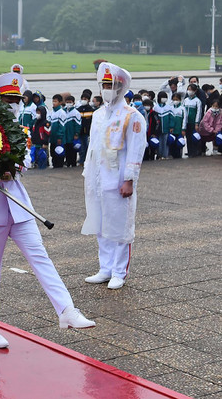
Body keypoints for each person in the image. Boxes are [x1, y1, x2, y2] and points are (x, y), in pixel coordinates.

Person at [0, 73, 95, 349]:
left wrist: (13, 165)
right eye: (8, 100)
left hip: (19, 206)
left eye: (17, 100)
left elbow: (26, 160)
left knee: (41, 257)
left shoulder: (19, 129)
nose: (13, 105)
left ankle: (66, 310)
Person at [82, 63, 147, 290]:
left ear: (121, 87)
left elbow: (136, 150)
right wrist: (88, 174)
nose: (107, 89)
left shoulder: (132, 116)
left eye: (111, 85)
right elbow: (93, 147)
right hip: (98, 179)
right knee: (101, 225)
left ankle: (119, 271)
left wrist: (129, 179)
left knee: (120, 227)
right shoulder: (98, 115)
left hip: (118, 180)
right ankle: (105, 268)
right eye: (104, 85)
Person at [182, 83, 204, 158]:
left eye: (191, 90)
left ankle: (195, 151)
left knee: (194, 137)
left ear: (195, 91)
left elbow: (199, 112)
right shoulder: (185, 100)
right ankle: (190, 151)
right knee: (188, 137)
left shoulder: (197, 101)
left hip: (193, 122)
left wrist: (196, 123)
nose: (189, 91)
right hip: (186, 122)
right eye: (188, 89)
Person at [62, 95, 81, 167]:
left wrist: (76, 133)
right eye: (67, 102)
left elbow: (78, 124)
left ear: (73, 103)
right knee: (66, 148)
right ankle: (67, 162)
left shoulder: (76, 113)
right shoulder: (63, 111)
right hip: (65, 134)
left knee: (72, 149)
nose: (68, 104)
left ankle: (73, 163)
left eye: (70, 102)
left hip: (72, 134)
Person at [30, 105, 50, 170]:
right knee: (36, 161)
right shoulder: (35, 122)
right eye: (37, 112)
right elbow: (33, 132)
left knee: (42, 160)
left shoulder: (46, 123)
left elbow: (47, 134)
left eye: (39, 113)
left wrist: (45, 143)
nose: (37, 114)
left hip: (42, 146)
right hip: (35, 145)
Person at [77, 91, 95, 165]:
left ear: (89, 100)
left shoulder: (91, 110)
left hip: (87, 133)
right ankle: (81, 161)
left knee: (87, 147)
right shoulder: (78, 110)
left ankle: (88, 162)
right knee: (81, 148)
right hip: (80, 132)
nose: (83, 100)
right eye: (82, 99)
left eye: (85, 99)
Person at [48, 94, 65, 168]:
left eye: (55, 101)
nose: (54, 103)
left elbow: (62, 127)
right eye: (53, 101)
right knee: (52, 152)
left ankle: (59, 165)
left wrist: (59, 137)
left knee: (59, 152)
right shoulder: (52, 112)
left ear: (60, 102)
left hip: (58, 138)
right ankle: (54, 165)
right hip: (52, 137)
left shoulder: (61, 113)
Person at [154, 92, 171, 159]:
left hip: (166, 128)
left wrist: (171, 126)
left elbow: (171, 118)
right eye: (162, 97)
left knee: (166, 142)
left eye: (165, 97)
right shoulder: (156, 107)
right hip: (158, 129)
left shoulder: (168, 107)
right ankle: (159, 155)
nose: (164, 99)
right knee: (159, 142)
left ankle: (165, 155)